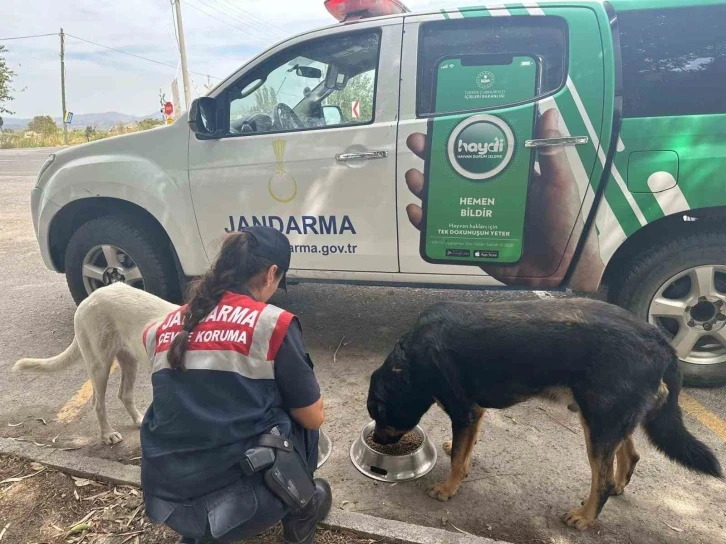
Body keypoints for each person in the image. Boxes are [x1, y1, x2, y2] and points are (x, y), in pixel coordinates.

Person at [140, 226, 331, 544]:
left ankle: (200, 532)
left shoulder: (160, 327)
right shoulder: (272, 324)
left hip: (164, 493)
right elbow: (313, 417)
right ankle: (303, 508)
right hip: (243, 505)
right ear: (271, 274)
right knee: (301, 418)